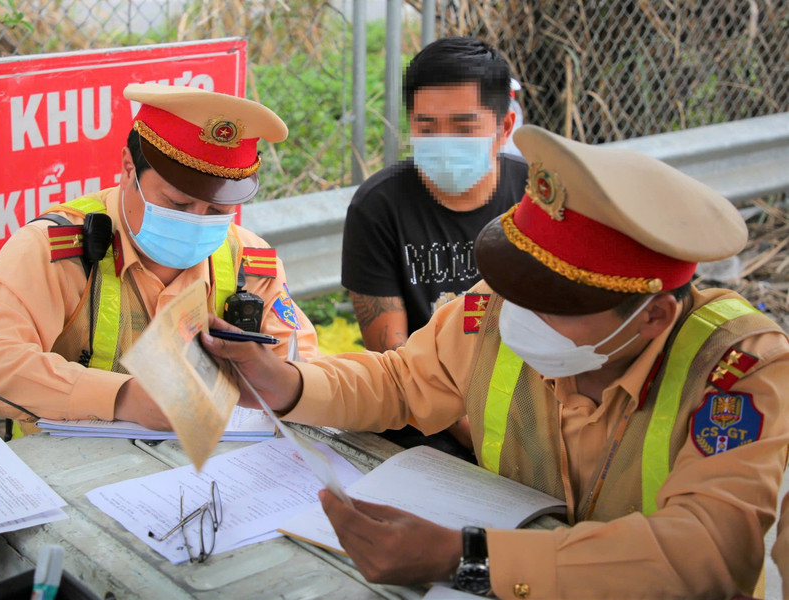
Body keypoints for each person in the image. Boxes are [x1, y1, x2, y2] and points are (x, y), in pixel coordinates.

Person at [205, 125, 789, 598]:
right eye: (513, 285)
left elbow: (709, 551)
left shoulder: (739, 368)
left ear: (654, 318)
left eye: (553, 304)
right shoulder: (495, 311)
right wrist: (288, 382)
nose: (515, 315)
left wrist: (467, 559)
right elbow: (402, 380)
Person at [0, 84, 318, 432]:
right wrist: (123, 398)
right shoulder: (53, 249)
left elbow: (306, 370)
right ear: (127, 168)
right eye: (178, 202)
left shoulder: (249, 261)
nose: (197, 219)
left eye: (219, 210)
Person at [341, 37, 528, 459]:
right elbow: (398, 361)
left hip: (534, 407)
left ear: (504, 129)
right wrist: (486, 440)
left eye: (464, 128)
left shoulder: (537, 196)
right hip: (431, 419)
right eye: (426, 127)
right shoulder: (378, 207)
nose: (444, 142)